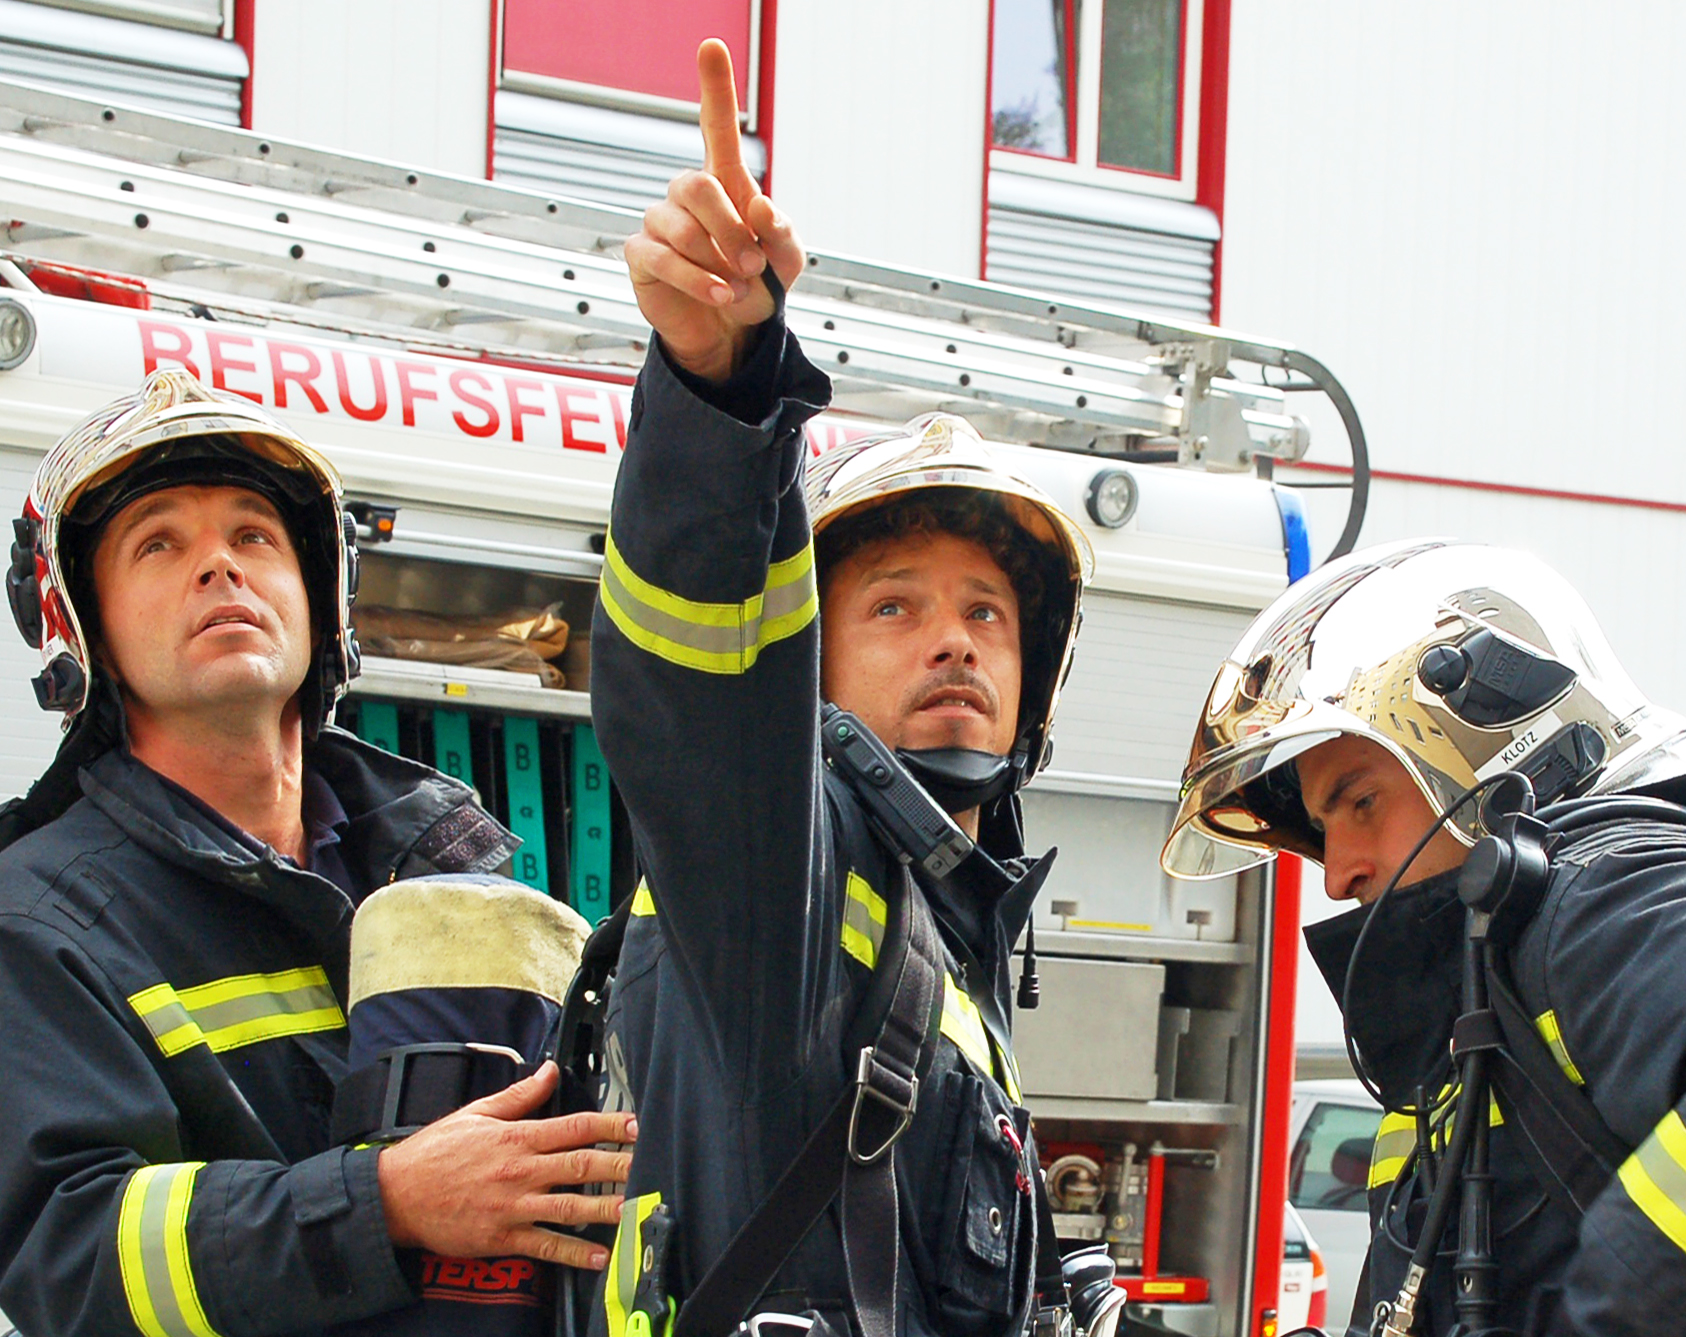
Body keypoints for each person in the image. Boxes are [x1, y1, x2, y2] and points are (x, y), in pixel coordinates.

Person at [590, 38, 1094, 1337]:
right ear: (810, 656)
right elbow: (698, 699)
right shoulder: (789, 878)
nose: (955, 641)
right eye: (894, 605)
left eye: (986, 610)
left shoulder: (948, 921)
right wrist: (715, 392)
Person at [1162, 538, 1686, 1337]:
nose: (1335, 872)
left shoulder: (1600, 883)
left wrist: (1612, 1309)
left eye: (1361, 801)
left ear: (1496, 754)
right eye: (1321, 830)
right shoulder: (1491, 978)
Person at [0, 369, 637, 1337]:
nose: (219, 566)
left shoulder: (447, 872)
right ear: (85, 630)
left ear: (320, 595)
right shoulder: (37, 922)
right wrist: (384, 1200)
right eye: (158, 543)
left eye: (253, 534)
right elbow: (71, 1254)